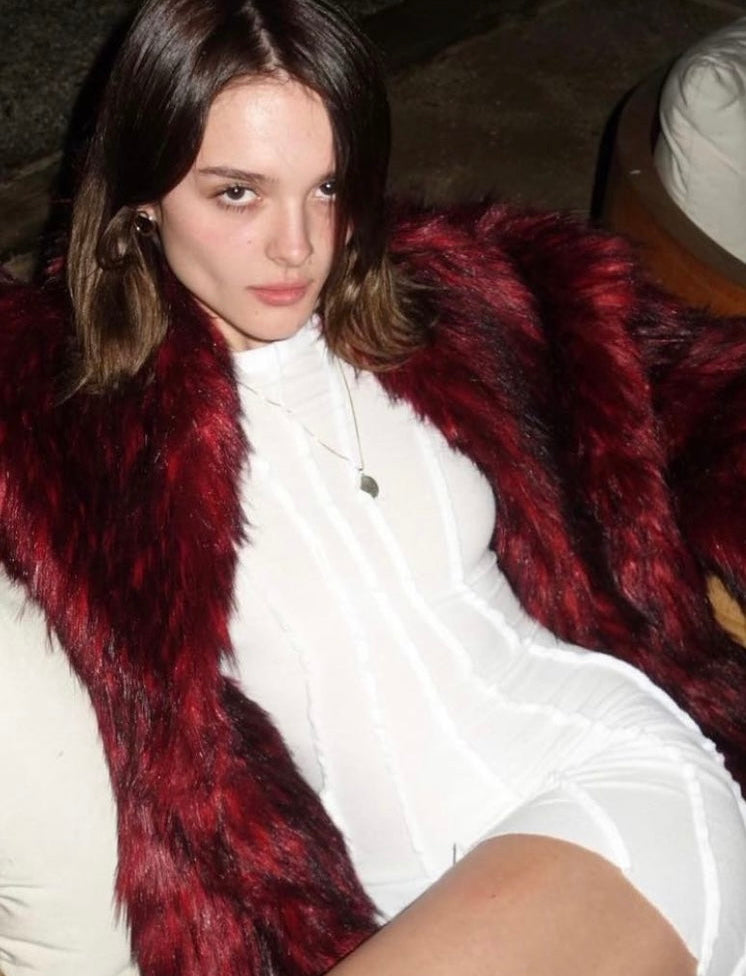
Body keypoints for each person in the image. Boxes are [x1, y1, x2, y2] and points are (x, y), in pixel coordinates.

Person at [1, 0, 746, 974]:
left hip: (606, 787)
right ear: (141, 195)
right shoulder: (57, 426)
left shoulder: (468, 300)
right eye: (238, 194)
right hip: (373, 908)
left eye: (327, 187)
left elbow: (703, 394)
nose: (296, 246)